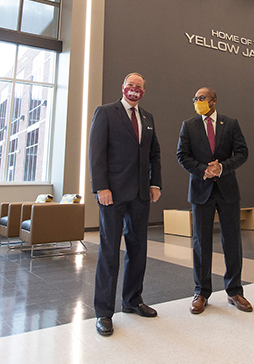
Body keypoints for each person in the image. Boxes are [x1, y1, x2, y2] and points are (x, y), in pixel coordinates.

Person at [89, 72, 162, 336]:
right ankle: (104, 312)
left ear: (144, 91)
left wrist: (156, 184)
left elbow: (155, 154)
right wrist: (101, 187)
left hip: (141, 194)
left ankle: (132, 300)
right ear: (123, 88)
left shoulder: (148, 118)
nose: (135, 89)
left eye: (139, 86)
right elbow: (96, 152)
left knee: (138, 249)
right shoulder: (106, 112)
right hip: (113, 193)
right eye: (131, 85)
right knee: (109, 251)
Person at [176, 87, 250, 315]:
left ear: (214, 101)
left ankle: (235, 291)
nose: (197, 101)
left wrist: (223, 167)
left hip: (227, 189)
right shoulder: (188, 125)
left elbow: (242, 152)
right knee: (201, 242)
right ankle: (201, 292)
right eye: (195, 99)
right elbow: (182, 155)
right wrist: (202, 170)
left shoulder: (231, 123)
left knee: (232, 241)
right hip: (201, 190)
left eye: (202, 98)